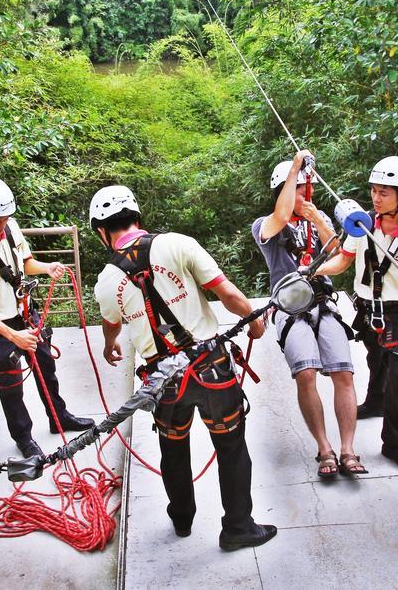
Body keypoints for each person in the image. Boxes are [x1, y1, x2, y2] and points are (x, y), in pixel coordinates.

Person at [90, 184, 277, 552]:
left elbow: (112, 321)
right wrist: (252, 318)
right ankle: (238, 526)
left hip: (164, 380)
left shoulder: (107, 281)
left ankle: (182, 518)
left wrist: (110, 342)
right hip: (211, 367)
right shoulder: (177, 243)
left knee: (173, 448)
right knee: (231, 446)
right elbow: (225, 292)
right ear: (137, 218)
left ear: (101, 231)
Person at [0, 176, 94, 460]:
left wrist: (47, 268)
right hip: (0, 326)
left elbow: (25, 264)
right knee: (12, 385)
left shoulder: (11, 227)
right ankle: (24, 438)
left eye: (5, 219)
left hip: (26, 315)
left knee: (46, 366)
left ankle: (59, 417)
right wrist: (11, 336)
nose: (2, 226)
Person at [315, 156, 398, 473]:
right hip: (369, 308)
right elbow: (343, 261)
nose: (376, 198)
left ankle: (395, 443)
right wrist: (313, 272)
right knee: (375, 358)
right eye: (374, 191)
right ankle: (375, 401)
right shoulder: (361, 224)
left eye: (384, 192)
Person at [252, 151, 365, 478]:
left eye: (304, 189)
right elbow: (282, 214)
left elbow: (338, 255)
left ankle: (347, 448)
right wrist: (295, 171)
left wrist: (317, 218)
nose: (302, 196)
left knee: (344, 373)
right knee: (306, 374)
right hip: (289, 306)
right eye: (296, 190)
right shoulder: (265, 225)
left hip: (323, 302)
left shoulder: (318, 220)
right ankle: (324, 448)